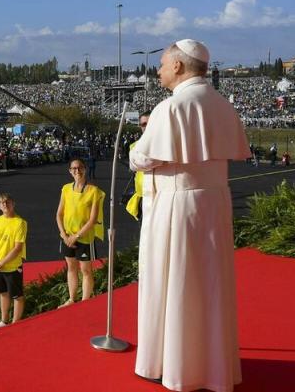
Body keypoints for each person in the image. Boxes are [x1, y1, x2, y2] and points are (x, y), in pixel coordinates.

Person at [130, 39, 250, 391]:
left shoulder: (171, 108)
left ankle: (173, 366)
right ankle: (211, 367)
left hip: (178, 207)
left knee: (176, 283)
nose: (159, 69)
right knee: (209, 285)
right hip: (214, 203)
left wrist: (142, 142)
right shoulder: (222, 104)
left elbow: (143, 158)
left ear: (179, 66)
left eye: (163, 64)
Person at [56, 159, 105, 306]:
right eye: (74, 168)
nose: (77, 171)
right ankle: (72, 298)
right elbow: (59, 214)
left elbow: (92, 219)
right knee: (71, 268)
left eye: (80, 168)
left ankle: (85, 301)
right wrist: (64, 235)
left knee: (86, 270)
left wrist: (76, 236)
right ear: (70, 171)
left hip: (84, 238)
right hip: (67, 237)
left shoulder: (93, 191)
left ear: (85, 169)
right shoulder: (65, 189)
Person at [0, 193, 27, 329]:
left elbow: (17, 248)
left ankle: (16, 323)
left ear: (13, 203)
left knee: (17, 296)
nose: (5, 204)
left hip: (11, 266)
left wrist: (1, 263)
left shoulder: (20, 223)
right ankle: (4, 321)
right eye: (1, 203)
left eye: (7, 202)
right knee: (3, 294)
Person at [124, 113, 151, 221]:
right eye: (143, 124)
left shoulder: (167, 143)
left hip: (161, 197)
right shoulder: (134, 146)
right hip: (143, 196)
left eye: (149, 123)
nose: (146, 127)